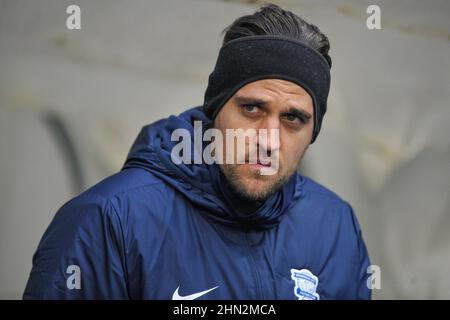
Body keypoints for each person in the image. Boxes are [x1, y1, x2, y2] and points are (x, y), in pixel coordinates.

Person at [23, 4, 371, 300]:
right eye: (251, 108)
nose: (269, 139)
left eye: (293, 119)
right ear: (215, 109)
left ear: (313, 133)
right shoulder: (109, 220)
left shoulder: (335, 227)